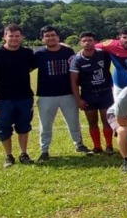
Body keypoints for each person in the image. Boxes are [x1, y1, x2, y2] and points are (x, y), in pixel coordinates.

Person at [0, 24, 36, 167]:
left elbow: (31, 66)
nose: (14, 39)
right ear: (4, 36)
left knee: (23, 126)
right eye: (11, 36)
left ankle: (24, 154)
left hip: (24, 97)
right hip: (2, 99)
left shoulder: (27, 53)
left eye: (17, 36)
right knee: (3, 128)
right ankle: (8, 156)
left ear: (22, 37)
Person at [34, 25, 88, 161]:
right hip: (46, 95)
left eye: (53, 35)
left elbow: (76, 68)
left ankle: (79, 144)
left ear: (58, 37)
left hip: (67, 93)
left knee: (74, 121)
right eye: (47, 36)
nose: (50, 38)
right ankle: (44, 150)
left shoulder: (67, 51)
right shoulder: (38, 54)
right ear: (42, 39)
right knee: (45, 125)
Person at [69, 32, 116, 155]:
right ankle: (97, 146)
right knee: (92, 122)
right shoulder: (77, 60)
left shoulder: (104, 54)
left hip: (105, 92)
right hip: (88, 94)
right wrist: (78, 99)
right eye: (84, 40)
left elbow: (114, 45)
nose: (87, 43)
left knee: (107, 120)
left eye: (90, 40)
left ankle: (109, 145)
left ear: (95, 42)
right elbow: (73, 81)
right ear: (80, 43)